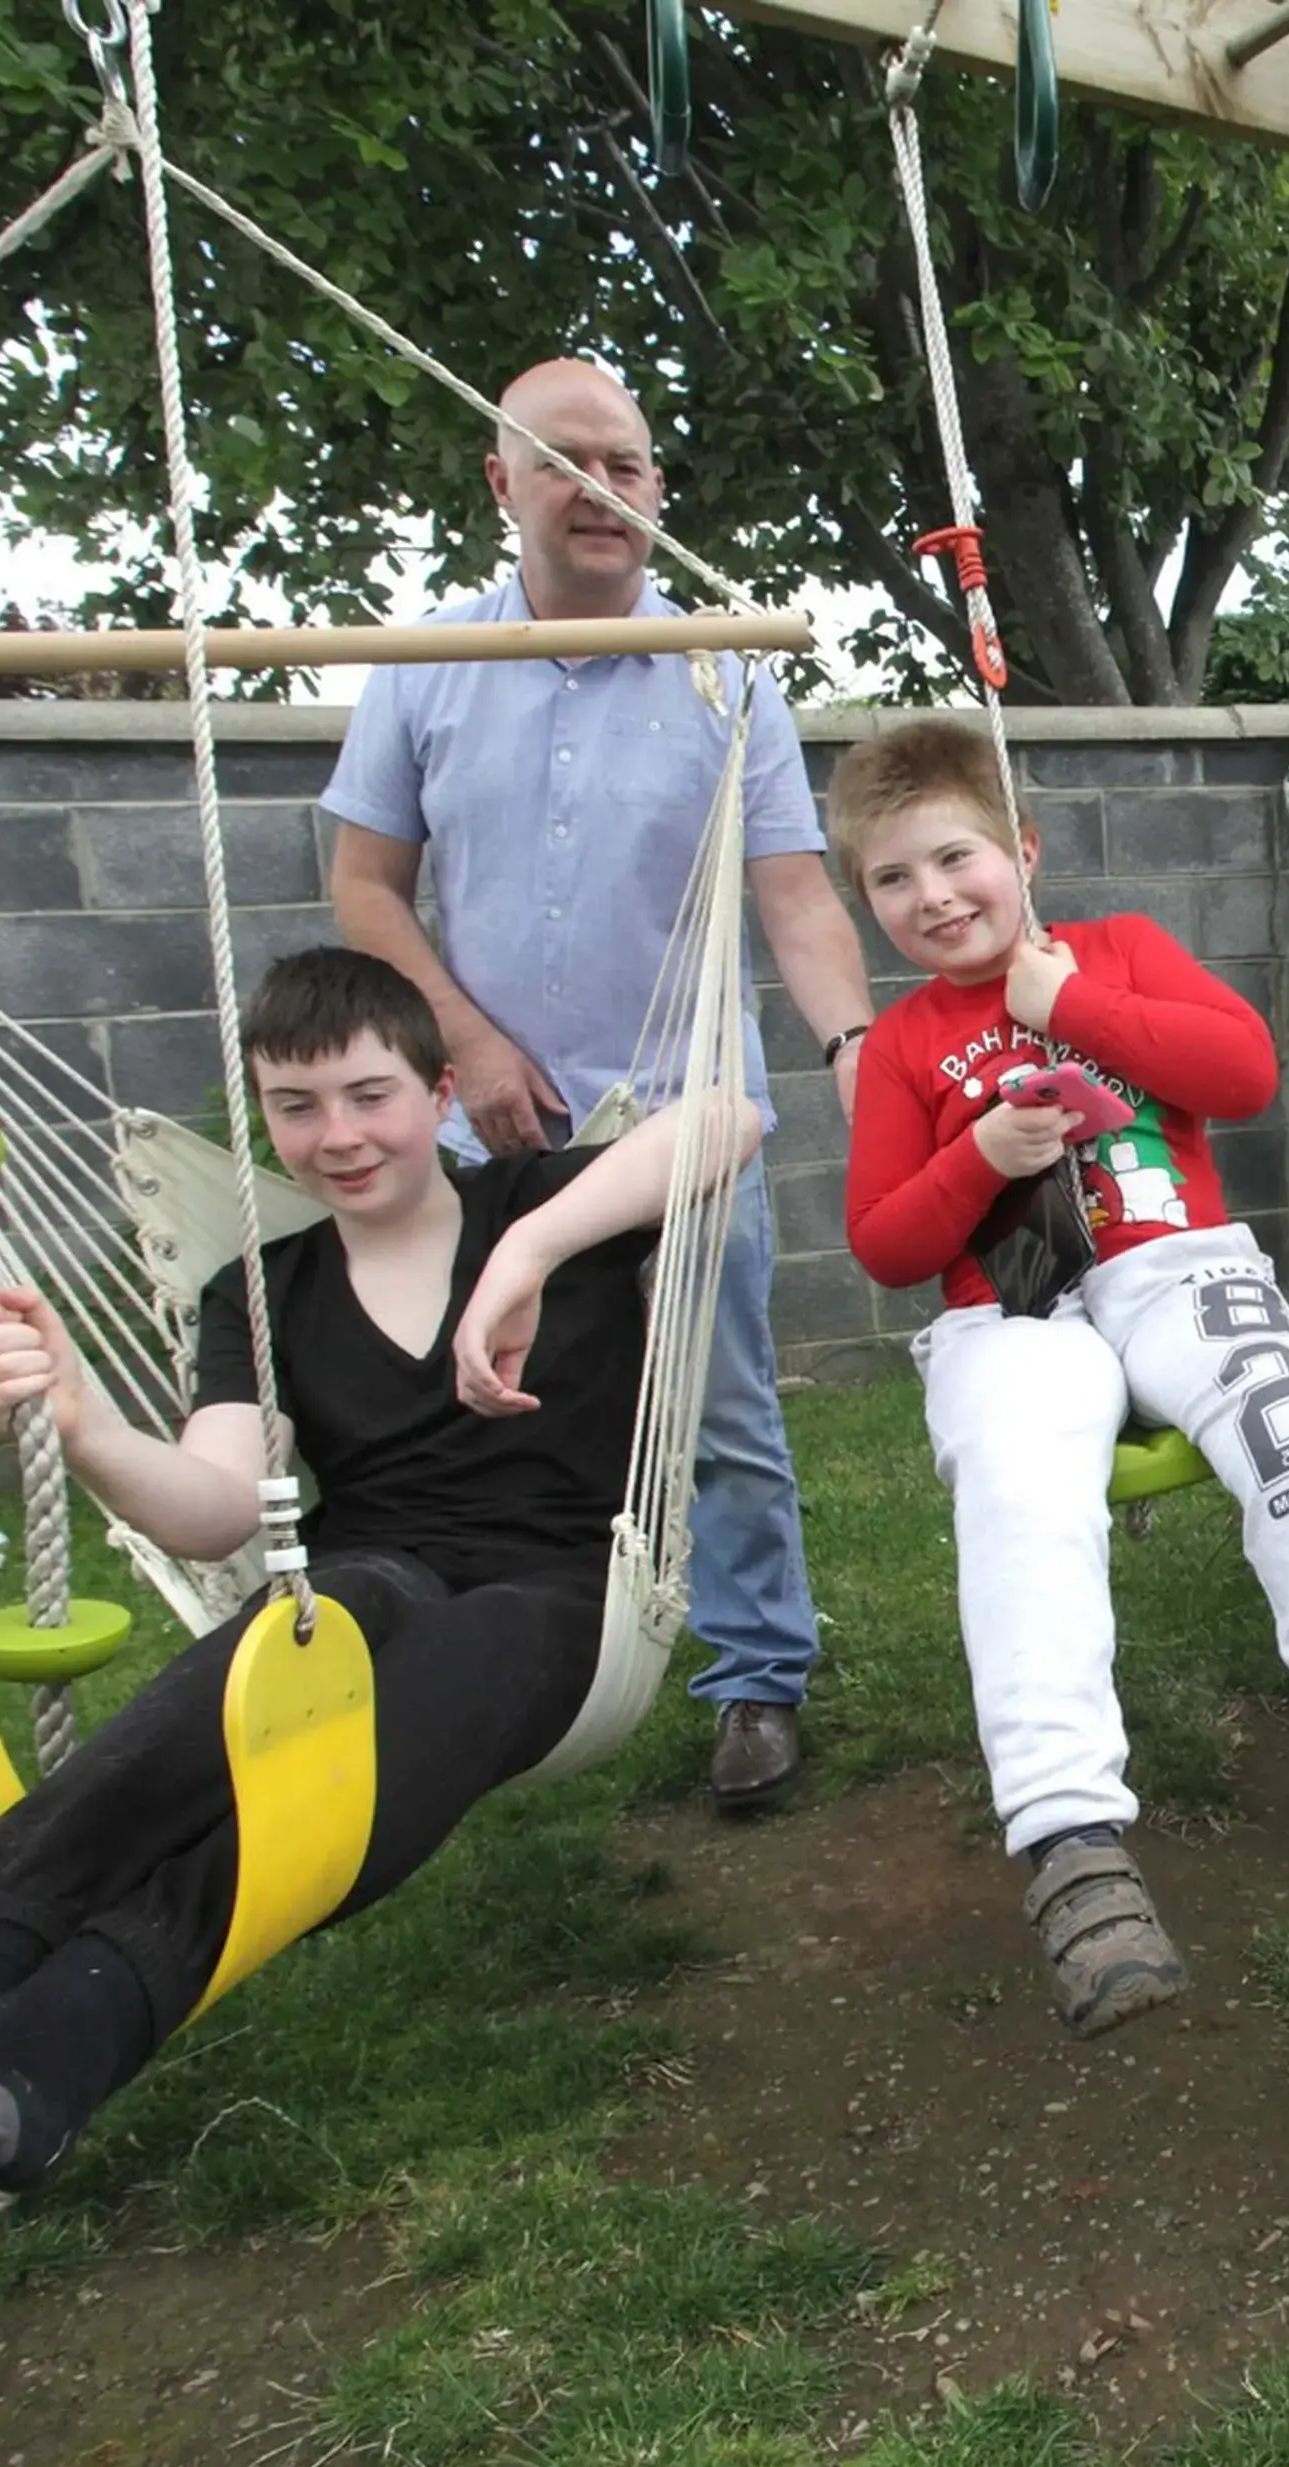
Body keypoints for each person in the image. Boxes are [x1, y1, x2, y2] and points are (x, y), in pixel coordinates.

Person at [0, 951, 758, 2236]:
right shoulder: (259, 1291)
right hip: (363, 1573)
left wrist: (528, 1251)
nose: (338, 1136)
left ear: (438, 1093)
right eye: (295, 1105)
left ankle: (55, 2040)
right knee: (212, 1711)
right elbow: (215, 1502)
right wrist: (82, 1422)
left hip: (560, 1593)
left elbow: (729, 1121)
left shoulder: (550, 1200)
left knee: (426, 1686)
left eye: (369, 1095)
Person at [833, 719, 1289, 2038]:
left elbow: (1241, 1071)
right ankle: (1071, 1842)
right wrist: (984, 1159)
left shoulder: (1111, 950)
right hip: (1008, 1315)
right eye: (893, 879)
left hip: (1177, 1266)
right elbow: (888, 1243)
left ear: (1025, 850)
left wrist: (1066, 1009)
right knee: (1020, 1498)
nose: (935, 895)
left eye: (958, 858)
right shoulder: (899, 1048)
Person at [323, 357, 871, 1810]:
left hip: (687, 1117)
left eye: (628, 467)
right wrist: (466, 1045)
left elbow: (799, 900)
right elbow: (365, 887)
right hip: (489, 1110)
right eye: (564, 463)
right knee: (481, 1393)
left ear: (659, 495)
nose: (601, 491)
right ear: (499, 484)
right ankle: (492, 1653)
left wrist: (859, 1053)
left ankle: (755, 1680)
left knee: (720, 1408)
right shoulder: (430, 663)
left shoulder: (726, 671)